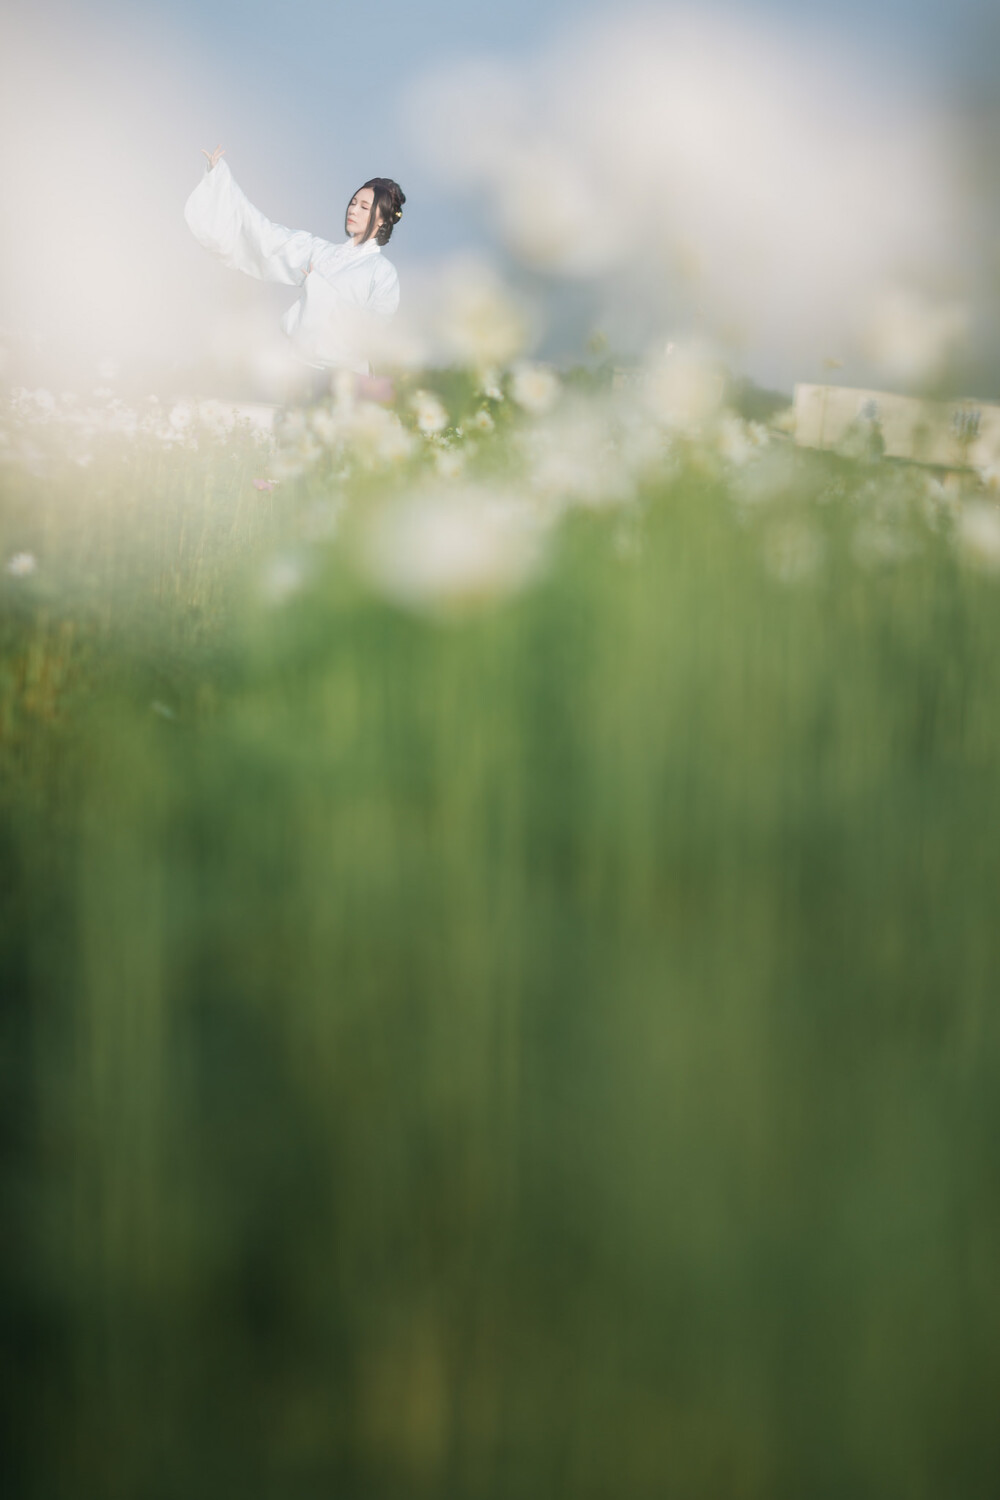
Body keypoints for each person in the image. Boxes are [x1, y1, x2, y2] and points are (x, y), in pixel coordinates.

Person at [184, 145, 404, 390]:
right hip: (303, 371)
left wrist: (319, 289)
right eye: (353, 202)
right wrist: (221, 179)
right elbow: (267, 236)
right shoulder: (321, 253)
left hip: (348, 377)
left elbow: (374, 330)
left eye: (364, 207)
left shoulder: (382, 272)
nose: (353, 210)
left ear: (383, 218)